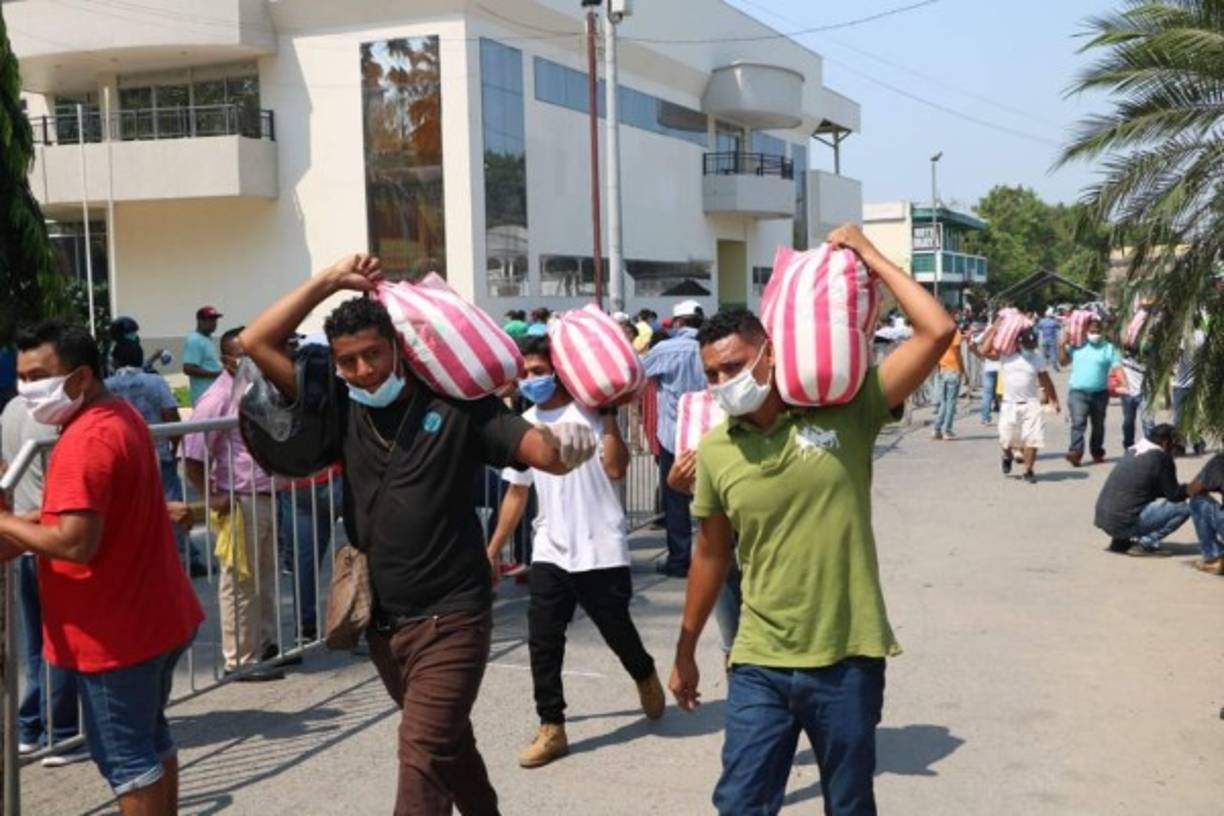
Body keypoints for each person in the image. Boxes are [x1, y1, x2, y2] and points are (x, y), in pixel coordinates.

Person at [238, 253, 597, 816]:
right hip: (385, 624)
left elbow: (540, 452)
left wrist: (568, 442)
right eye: (348, 362)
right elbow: (256, 343)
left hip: (452, 616)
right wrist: (327, 281)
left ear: (399, 348)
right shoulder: (337, 407)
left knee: (421, 751)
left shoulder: (456, 406)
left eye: (373, 355)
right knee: (448, 746)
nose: (363, 372)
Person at [669, 224, 956, 815]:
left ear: (770, 351)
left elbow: (938, 331)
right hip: (759, 660)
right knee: (741, 805)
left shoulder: (848, 412)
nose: (725, 382)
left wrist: (871, 256)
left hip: (847, 658)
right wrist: (685, 650)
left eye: (736, 366)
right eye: (714, 374)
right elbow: (711, 553)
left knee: (849, 806)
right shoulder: (719, 448)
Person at [0, 320, 203, 813]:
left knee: (126, 759)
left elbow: (74, 542)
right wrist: (19, 525)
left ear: (81, 377)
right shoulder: (121, 415)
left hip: (114, 635)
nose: (27, 389)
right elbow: (86, 517)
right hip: (155, 616)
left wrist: (3, 523)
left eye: (38, 375)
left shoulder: (84, 441)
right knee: (152, 740)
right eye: (22, 377)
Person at [487, 335, 664, 769]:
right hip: (551, 548)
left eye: (539, 371)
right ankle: (552, 726)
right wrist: (492, 550)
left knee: (617, 629)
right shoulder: (524, 426)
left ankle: (642, 671)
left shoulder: (590, 414)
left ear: (558, 371)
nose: (532, 380)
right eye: (525, 373)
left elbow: (618, 468)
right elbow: (516, 492)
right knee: (543, 640)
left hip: (601, 547)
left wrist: (608, 419)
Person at [182, 328, 286, 682]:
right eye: (245, 354)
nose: (254, 359)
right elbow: (192, 456)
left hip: (266, 493)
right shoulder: (217, 398)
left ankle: (267, 645)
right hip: (240, 500)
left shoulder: (257, 389)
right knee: (240, 582)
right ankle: (240, 658)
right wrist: (214, 497)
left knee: (266, 576)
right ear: (227, 360)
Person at [0, 395, 86, 767]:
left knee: (39, 644)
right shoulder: (55, 415)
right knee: (60, 644)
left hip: (24, 541)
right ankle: (61, 731)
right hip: (49, 538)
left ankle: (31, 727)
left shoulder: (12, 409)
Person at [106, 339, 208, 577]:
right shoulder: (154, 382)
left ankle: (138, 562)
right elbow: (170, 414)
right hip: (159, 454)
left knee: (130, 511)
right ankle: (185, 560)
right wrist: (176, 447)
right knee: (173, 510)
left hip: (122, 457)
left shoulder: (107, 385)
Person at [642, 300, 707, 577]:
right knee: (715, 500)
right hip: (711, 436)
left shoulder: (665, 349)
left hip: (673, 436)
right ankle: (718, 557)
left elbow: (637, 374)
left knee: (675, 500)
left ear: (677, 322)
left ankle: (679, 560)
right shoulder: (710, 347)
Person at [977, 325, 1061, 483]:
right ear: (1018, 343)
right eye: (1027, 345)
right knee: (1006, 439)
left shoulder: (1037, 358)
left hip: (1031, 404)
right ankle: (1007, 456)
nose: (1031, 348)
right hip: (1009, 404)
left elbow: (1046, 380)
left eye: (1033, 345)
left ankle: (1028, 470)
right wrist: (995, 328)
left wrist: (1054, 400)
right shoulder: (1006, 356)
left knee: (1033, 439)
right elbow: (983, 351)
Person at [1094, 424, 1192, 557]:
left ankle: (1120, 541)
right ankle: (1146, 544)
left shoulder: (1134, 450)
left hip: (1105, 521)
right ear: (1165, 442)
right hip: (1122, 522)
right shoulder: (1162, 458)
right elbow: (1173, 495)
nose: (1175, 448)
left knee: (1136, 496)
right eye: (1173, 444)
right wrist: (1192, 488)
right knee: (1183, 508)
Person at [1059, 316, 1123, 466]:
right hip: (1078, 392)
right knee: (1078, 422)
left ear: (1103, 332)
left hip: (1100, 393)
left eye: (1098, 331)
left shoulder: (1108, 348)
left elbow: (1117, 367)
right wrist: (1062, 346)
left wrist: (1124, 383)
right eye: (1092, 330)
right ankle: (1076, 452)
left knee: (1098, 425)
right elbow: (1063, 362)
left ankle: (1097, 451)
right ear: (1086, 331)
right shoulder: (1078, 346)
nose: (1095, 333)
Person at [1171, 322, 1206, 456]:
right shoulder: (1201, 335)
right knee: (1191, 416)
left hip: (1185, 384)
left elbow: (1176, 355)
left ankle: (1188, 444)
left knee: (1182, 417)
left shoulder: (1188, 337)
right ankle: (1191, 443)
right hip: (1187, 383)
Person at [1186, 454, 1224, 574]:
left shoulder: (1220, 462)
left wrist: (1208, 474)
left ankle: (1214, 557)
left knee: (1198, 500)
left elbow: (1192, 489)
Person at [184, 305, 224, 405]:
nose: (213, 323)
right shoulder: (194, 340)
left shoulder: (207, 338)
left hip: (214, 395)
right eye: (210, 320)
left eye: (215, 320)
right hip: (203, 397)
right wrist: (216, 374)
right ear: (200, 321)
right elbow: (188, 368)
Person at [932, 324, 965, 440]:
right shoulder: (955, 333)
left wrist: (938, 368)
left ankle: (937, 429)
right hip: (953, 370)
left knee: (944, 402)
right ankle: (947, 430)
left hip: (943, 369)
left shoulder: (941, 333)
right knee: (951, 402)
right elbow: (957, 352)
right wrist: (963, 370)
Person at [0, 343, 17, 412]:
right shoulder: (8, 356)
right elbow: (14, 369)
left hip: (7, 385)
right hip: (9, 384)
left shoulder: (7, 356)